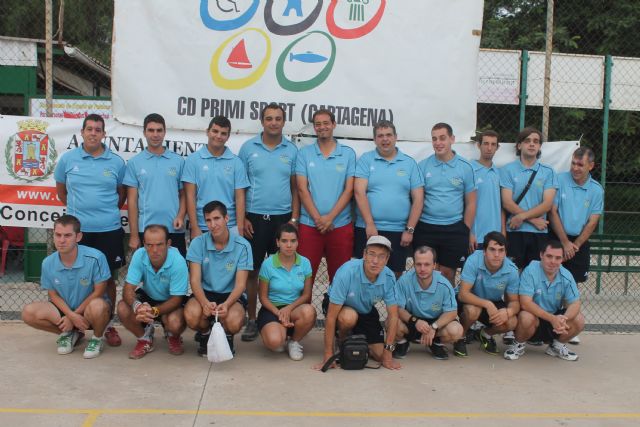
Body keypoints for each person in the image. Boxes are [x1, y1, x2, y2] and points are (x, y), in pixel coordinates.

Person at [54, 114, 126, 347]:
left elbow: (121, 195)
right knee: (77, 280)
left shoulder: (116, 162)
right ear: (82, 132)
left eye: (98, 129)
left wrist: (102, 213)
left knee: (108, 280)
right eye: (89, 129)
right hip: (79, 233)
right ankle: (76, 326)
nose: (93, 133)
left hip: (108, 230)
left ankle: (107, 324)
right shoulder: (68, 159)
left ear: (104, 134)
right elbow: (61, 192)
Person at [238, 103, 300, 342]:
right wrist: (243, 217)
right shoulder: (248, 148)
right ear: (262, 121)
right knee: (252, 272)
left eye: (278, 118)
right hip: (254, 219)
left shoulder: (291, 150)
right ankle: (253, 320)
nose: (273, 122)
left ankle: (279, 319)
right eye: (269, 118)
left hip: (282, 219)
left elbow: (295, 188)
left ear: (284, 122)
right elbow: (240, 187)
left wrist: (294, 219)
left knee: (281, 272)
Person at [21, 215, 111, 359]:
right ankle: (69, 333)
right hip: (65, 310)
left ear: (78, 237)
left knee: (99, 306)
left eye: (67, 235)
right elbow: (53, 295)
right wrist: (70, 315)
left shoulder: (96, 257)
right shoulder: (47, 263)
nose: (61, 240)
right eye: (58, 235)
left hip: (89, 310)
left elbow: (99, 291)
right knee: (28, 313)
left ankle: (97, 339)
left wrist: (74, 315)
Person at [315, 236, 401, 371]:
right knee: (348, 318)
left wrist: (388, 352)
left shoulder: (389, 277)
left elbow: (394, 316)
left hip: (365, 309)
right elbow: (331, 316)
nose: (375, 261)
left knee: (380, 355)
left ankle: (356, 340)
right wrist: (328, 354)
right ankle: (341, 340)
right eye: (371, 254)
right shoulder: (347, 271)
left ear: (387, 259)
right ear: (364, 254)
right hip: (340, 308)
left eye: (381, 256)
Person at [354, 120, 424, 277]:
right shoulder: (366, 160)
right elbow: (359, 192)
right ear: (374, 139)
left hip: (399, 231)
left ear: (395, 137)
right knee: (365, 275)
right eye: (380, 136)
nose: (385, 139)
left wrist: (410, 229)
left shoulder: (409, 163)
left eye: (388, 135)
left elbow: (418, 199)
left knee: (395, 276)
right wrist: (369, 224)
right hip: (369, 229)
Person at [183, 201, 253, 357]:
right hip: (206, 293)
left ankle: (227, 336)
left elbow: (241, 284)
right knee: (191, 315)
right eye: (208, 220)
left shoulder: (243, 245)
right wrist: (204, 303)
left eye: (217, 218)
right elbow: (194, 280)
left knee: (234, 320)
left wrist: (227, 304)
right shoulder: (197, 243)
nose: (213, 225)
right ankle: (205, 333)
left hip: (230, 295)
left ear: (226, 218)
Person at [548, 147, 603, 345]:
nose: (575, 168)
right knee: (549, 280)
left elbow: (592, 221)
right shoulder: (559, 180)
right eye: (573, 163)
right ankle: (545, 325)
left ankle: (568, 325)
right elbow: (552, 211)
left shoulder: (597, 190)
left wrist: (575, 245)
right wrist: (564, 243)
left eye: (580, 164)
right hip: (557, 238)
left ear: (591, 166)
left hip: (579, 242)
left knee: (572, 284)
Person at [295, 109, 356, 285]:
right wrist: (318, 219)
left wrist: (329, 218)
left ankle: (332, 305)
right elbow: (302, 189)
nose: (322, 127)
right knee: (304, 279)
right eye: (318, 124)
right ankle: (304, 306)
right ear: (314, 127)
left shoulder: (348, 154)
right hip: (309, 225)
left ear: (334, 124)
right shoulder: (304, 153)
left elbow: (349, 190)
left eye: (326, 123)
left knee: (339, 280)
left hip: (340, 225)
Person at [414, 122, 476, 286]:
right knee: (426, 273)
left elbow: (471, 203)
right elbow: (416, 199)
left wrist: (465, 230)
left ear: (452, 139)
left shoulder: (465, 167)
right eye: (434, 139)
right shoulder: (422, 166)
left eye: (442, 138)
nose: (438, 143)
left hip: (454, 229)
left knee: (447, 274)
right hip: (426, 227)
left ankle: (447, 303)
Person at [503, 240, 585, 361]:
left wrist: (563, 319)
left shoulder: (566, 275)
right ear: (541, 255)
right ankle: (518, 344)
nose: (553, 261)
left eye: (558, 258)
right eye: (549, 256)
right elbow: (525, 303)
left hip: (554, 322)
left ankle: (556, 347)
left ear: (562, 259)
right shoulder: (530, 270)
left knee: (579, 319)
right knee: (526, 317)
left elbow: (575, 303)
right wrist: (552, 319)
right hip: (533, 319)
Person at [117, 225, 189, 359]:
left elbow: (177, 299)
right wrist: (138, 307)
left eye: (159, 244)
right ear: (144, 244)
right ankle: (144, 338)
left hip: (170, 301)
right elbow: (128, 289)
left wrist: (154, 311)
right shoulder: (139, 254)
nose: (154, 250)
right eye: (149, 245)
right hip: (148, 297)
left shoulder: (178, 261)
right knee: (122, 308)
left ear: (168, 243)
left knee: (175, 322)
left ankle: (172, 335)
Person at [124, 113, 187, 256]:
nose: (155, 134)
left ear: (164, 132)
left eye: (159, 130)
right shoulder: (134, 162)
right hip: (146, 230)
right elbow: (132, 201)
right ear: (144, 132)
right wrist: (134, 235)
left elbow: (184, 194)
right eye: (151, 130)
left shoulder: (178, 161)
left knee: (177, 268)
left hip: (174, 229)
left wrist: (180, 216)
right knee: (148, 269)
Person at [500, 127, 558, 270]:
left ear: (539, 146)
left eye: (536, 141)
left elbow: (547, 205)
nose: (532, 144)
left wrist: (521, 217)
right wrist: (533, 220)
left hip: (539, 233)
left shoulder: (548, 172)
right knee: (513, 275)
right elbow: (507, 202)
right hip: (514, 230)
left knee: (535, 274)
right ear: (519, 145)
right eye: (527, 141)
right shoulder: (507, 170)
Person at [183, 115, 249, 239]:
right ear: (207, 132)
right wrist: (195, 227)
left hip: (230, 226)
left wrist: (239, 227)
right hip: (203, 225)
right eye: (215, 131)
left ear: (228, 137)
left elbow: (240, 197)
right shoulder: (193, 160)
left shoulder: (236, 162)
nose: (218, 136)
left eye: (223, 133)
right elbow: (190, 196)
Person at [392, 246, 463, 360]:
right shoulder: (404, 281)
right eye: (418, 264)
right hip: (412, 320)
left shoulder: (444, 284)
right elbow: (397, 308)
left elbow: (452, 312)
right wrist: (415, 321)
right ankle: (403, 343)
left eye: (427, 264)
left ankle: (435, 343)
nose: (422, 268)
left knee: (456, 330)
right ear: (413, 264)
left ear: (434, 265)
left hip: (436, 322)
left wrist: (434, 327)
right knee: (390, 321)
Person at [257, 224, 316, 361]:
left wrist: (289, 309)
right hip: (272, 309)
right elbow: (263, 297)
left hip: (294, 308)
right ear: (278, 242)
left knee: (309, 312)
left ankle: (293, 342)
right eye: (284, 241)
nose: (289, 245)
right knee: (274, 342)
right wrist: (279, 313)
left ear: (298, 242)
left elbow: (306, 294)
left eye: (293, 241)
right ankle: (280, 333)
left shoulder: (305, 263)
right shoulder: (268, 264)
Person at [455, 232, 520, 357]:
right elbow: (463, 294)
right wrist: (487, 304)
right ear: (484, 251)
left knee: (512, 322)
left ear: (505, 253)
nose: (497, 255)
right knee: (473, 311)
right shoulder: (473, 260)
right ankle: (460, 336)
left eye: (501, 250)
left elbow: (514, 302)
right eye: (492, 249)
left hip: (493, 301)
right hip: (470, 299)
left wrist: (508, 312)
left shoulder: (512, 270)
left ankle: (485, 334)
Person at [470, 130, 505, 250]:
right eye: (486, 143)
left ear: (497, 147)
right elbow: (462, 204)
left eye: (493, 144)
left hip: (496, 238)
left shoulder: (499, 173)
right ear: (478, 145)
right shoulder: (469, 170)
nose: (489, 148)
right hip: (475, 238)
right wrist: (469, 233)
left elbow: (502, 206)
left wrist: (503, 232)